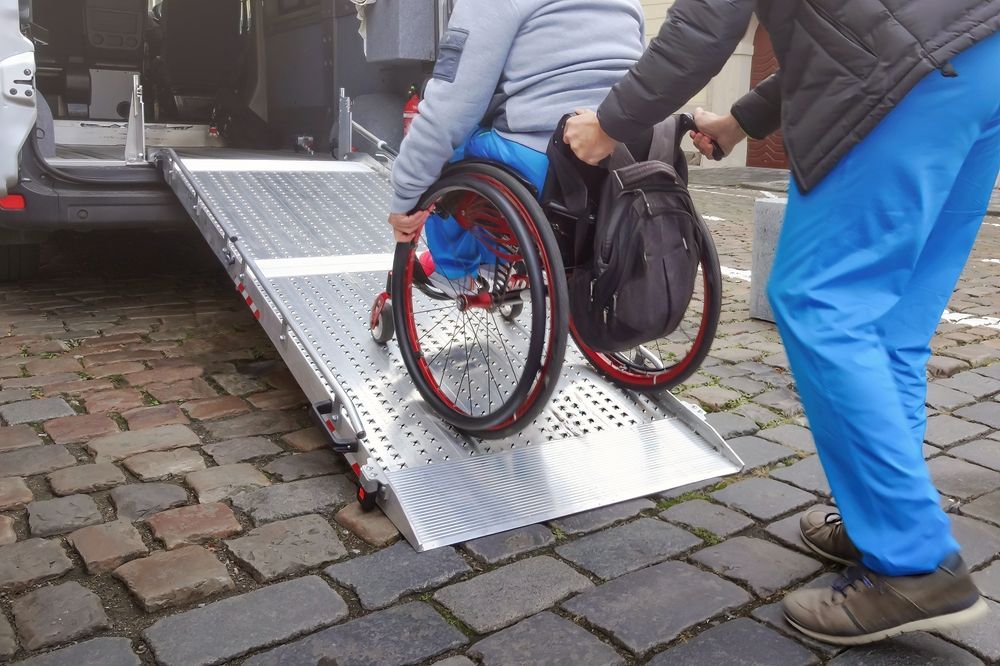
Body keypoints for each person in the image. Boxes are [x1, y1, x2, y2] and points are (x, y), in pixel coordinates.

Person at [564, 0, 1000, 646]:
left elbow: (707, 24)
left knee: (820, 300)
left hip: (902, 78)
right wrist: (741, 122)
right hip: (981, 58)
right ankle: (878, 513)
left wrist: (606, 127)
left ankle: (913, 559)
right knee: (891, 330)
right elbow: (840, 24)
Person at [386, 0, 644, 288]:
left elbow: (450, 109)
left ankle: (457, 270)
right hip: (627, 157)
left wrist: (406, 196)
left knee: (450, 147)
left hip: (548, 161)